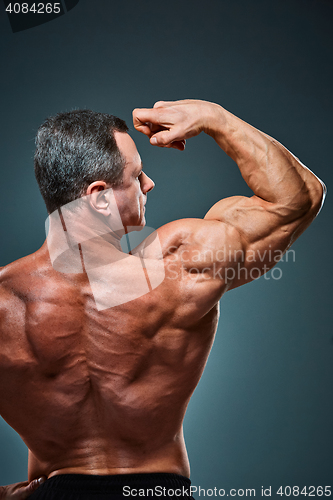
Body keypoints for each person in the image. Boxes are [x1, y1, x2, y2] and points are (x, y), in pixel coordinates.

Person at [0, 100, 325, 499]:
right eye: (137, 176)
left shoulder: (4, 301)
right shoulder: (183, 266)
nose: (148, 184)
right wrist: (213, 117)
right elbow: (297, 200)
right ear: (100, 197)